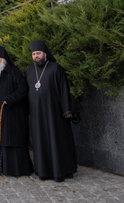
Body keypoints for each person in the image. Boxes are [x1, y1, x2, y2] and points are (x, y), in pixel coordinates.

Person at [26, 40, 77, 182]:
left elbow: (64, 90)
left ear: (45, 54)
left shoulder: (56, 69)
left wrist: (67, 109)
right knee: (40, 142)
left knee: (56, 141)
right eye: (34, 54)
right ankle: (43, 171)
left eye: (39, 53)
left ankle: (60, 171)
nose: (36, 56)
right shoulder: (30, 70)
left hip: (54, 113)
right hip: (36, 115)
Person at [0, 46, 32, 177]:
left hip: (11, 113)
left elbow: (22, 90)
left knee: (9, 139)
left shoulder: (13, 72)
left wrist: (9, 100)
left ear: (3, 60)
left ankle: (11, 168)